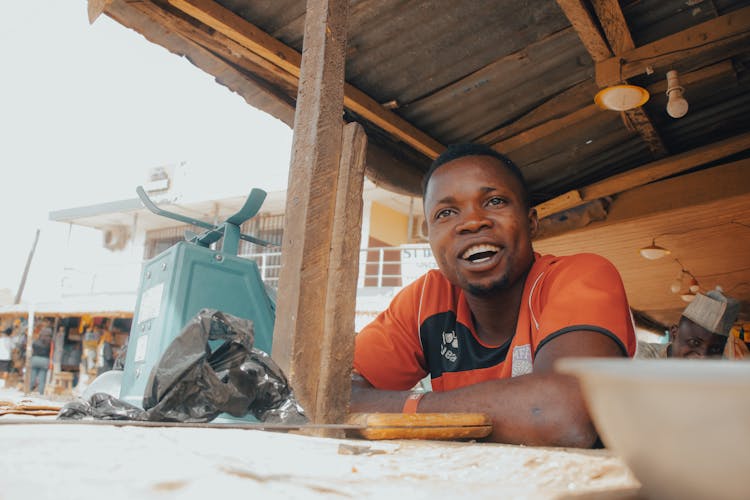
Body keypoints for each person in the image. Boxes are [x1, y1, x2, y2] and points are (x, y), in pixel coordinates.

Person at [351, 144, 636, 448]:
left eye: (495, 201)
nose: (473, 222)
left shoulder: (580, 276)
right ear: (430, 234)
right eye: (446, 212)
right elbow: (329, 391)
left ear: (531, 222)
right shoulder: (425, 299)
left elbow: (558, 416)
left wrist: (405, 411)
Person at [636, 288, 740, 359]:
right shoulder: (638, 358)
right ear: (674, 333)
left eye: (715, 349)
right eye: (695, 342)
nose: (703, 356)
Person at [30, 327, 53, 394]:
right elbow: (51, 351)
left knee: (32, 376)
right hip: (45, 360)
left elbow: (32, 348)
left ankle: (29, 389)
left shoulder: (36, 341)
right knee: (42, 379)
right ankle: (40, 392)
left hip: (35, 359)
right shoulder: (50, 342)